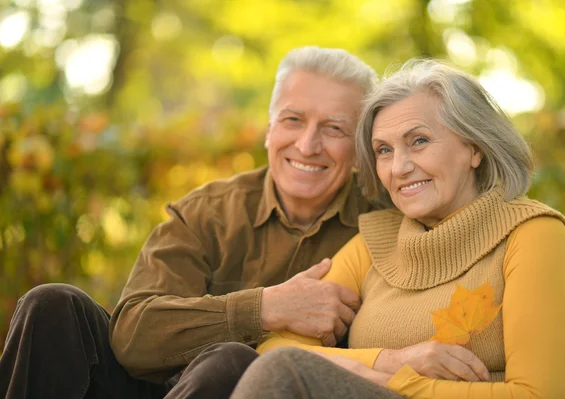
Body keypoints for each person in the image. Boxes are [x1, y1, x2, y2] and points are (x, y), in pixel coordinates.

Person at [0, 46, 384, 399]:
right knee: (51, 305)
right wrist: (265, 308)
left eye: (334, 128)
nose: (307, 144)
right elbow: (133, 336)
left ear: (360, 147)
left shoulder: (383, 221)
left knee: (231, 361)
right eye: (292, 120)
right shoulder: (208, 212)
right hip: (160, 388)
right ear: (270, 130)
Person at [230, 59, 565, 399]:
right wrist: (388, 361)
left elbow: (537, 394)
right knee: (226, 362)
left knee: (284, 371)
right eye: (384, 150)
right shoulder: (376, 242)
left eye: (419, 141)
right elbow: (275, 345)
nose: (399, 167)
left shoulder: (533, 236)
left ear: (474, 148)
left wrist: (393, 381)